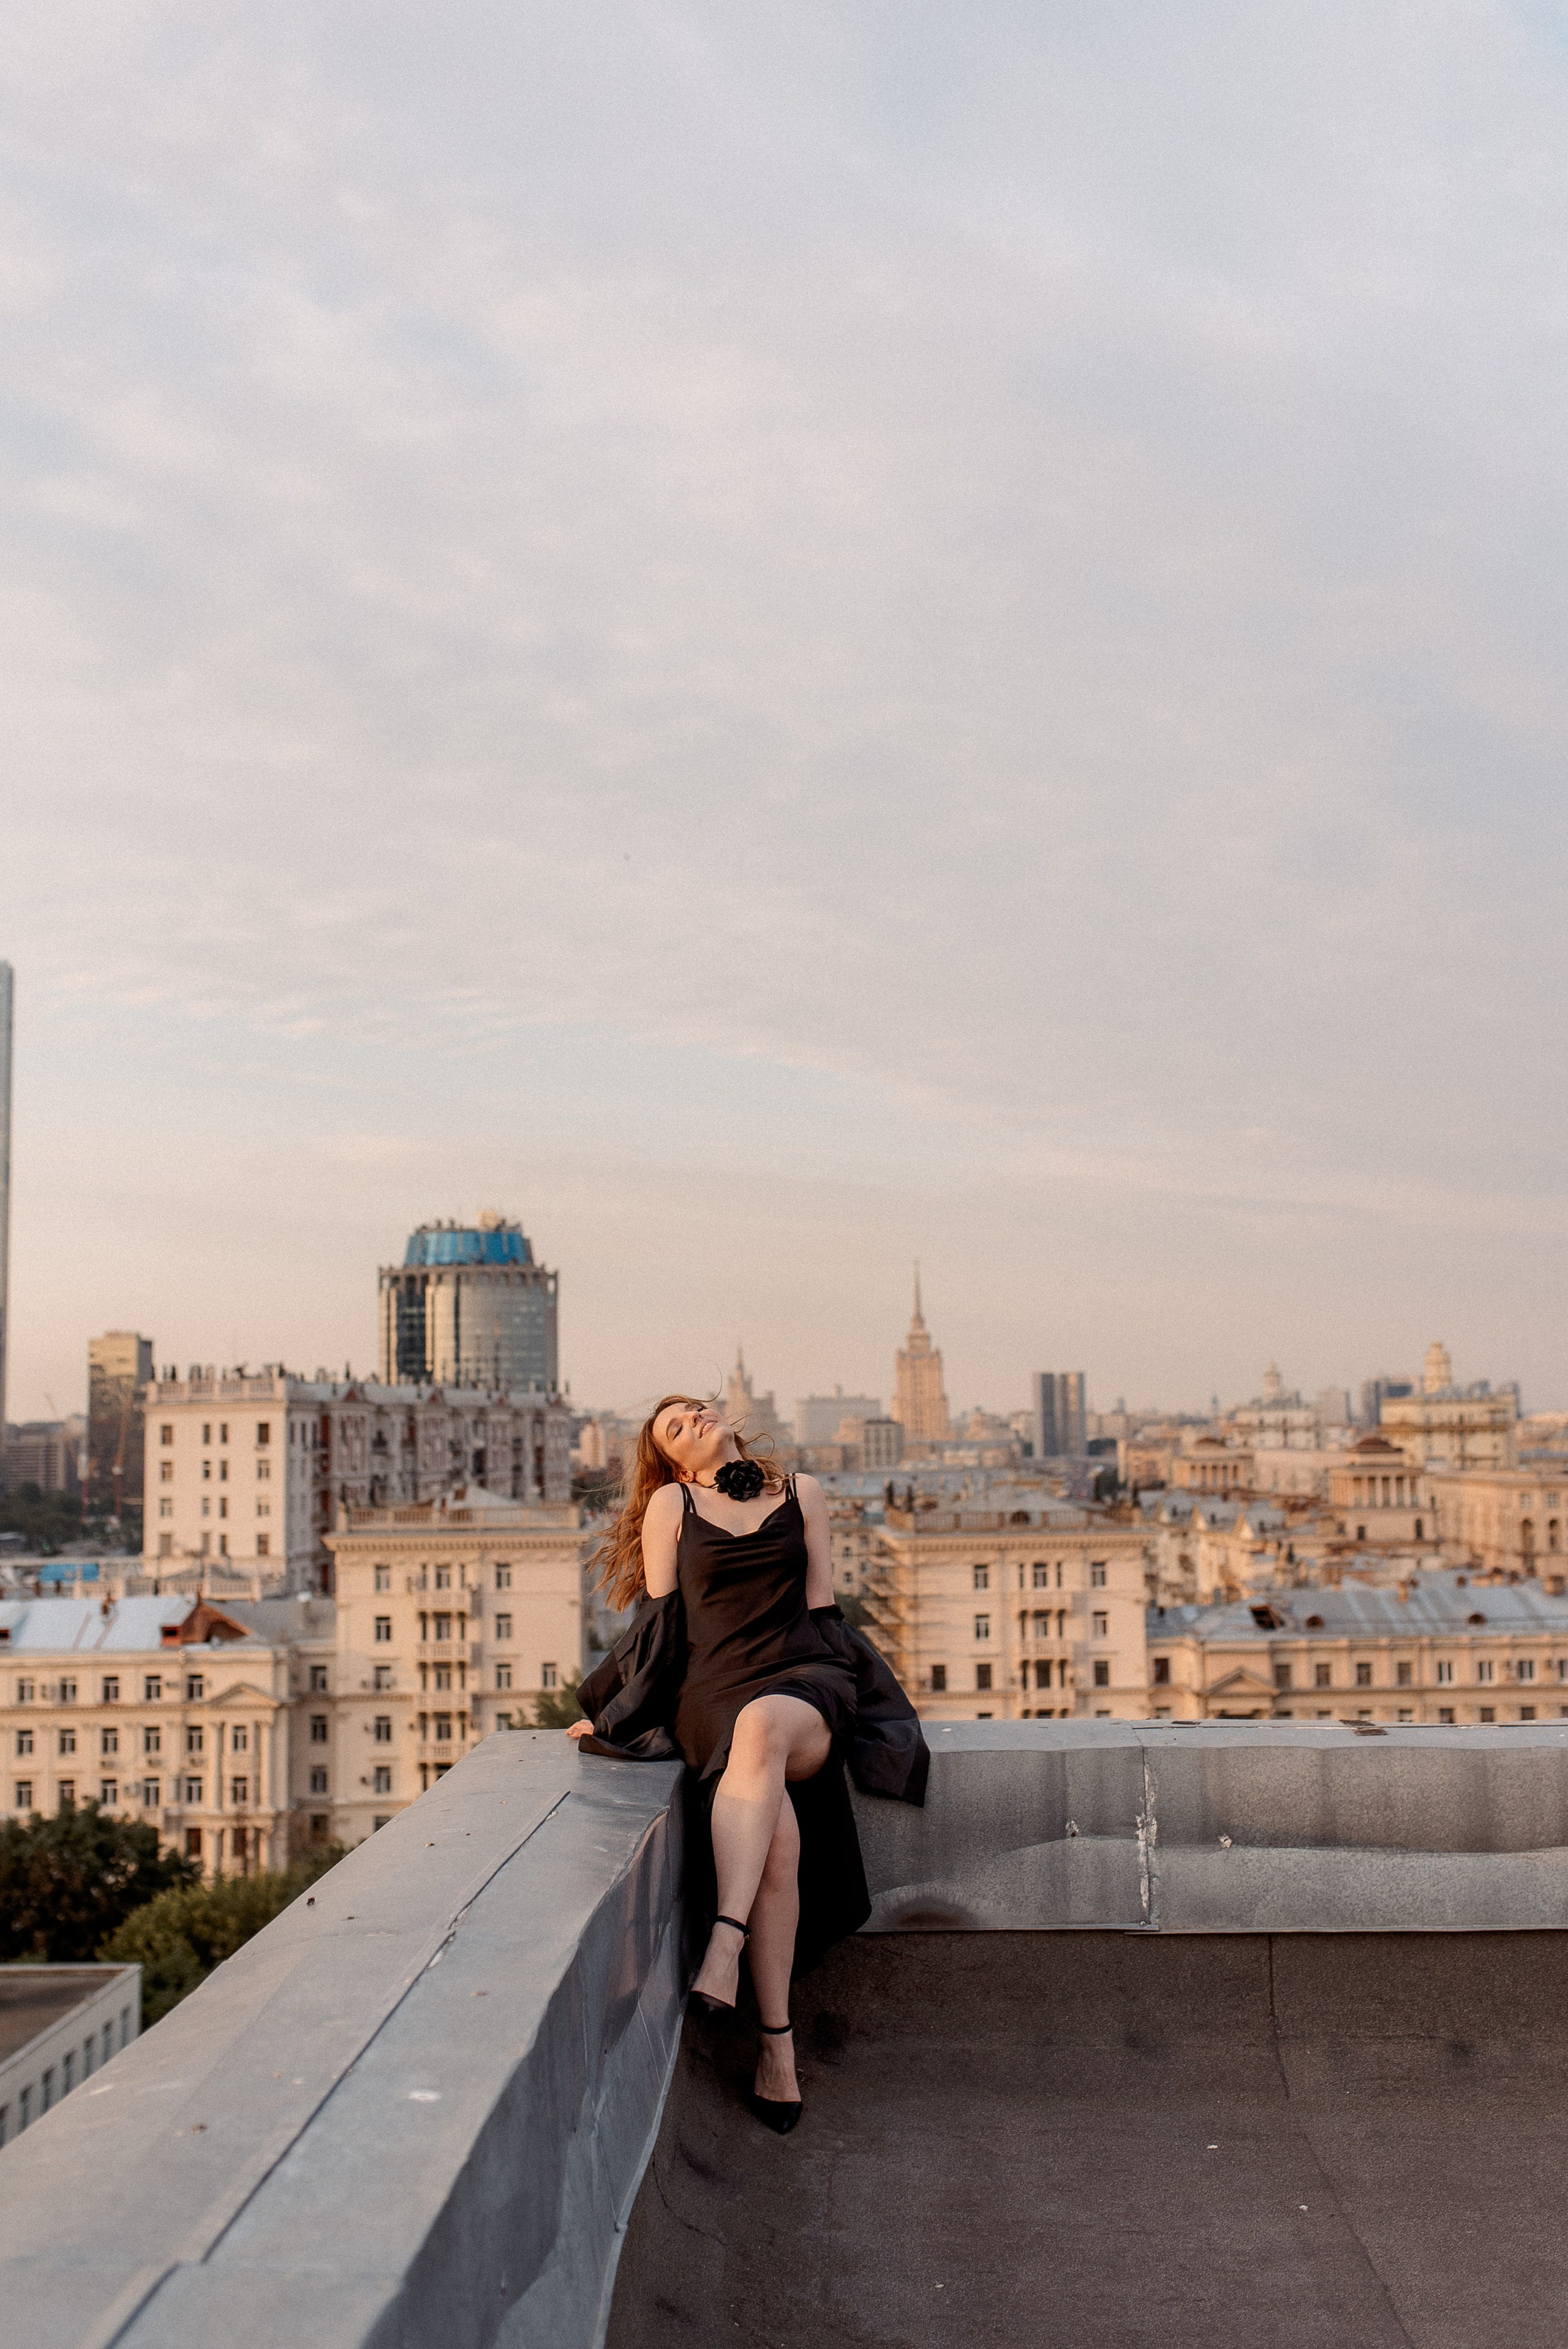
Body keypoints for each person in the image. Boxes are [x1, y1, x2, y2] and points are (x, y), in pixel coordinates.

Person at [571, 1394, 928, 2134]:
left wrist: (871, 1696)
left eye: (697, 1407)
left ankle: (723, 1940)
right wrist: (613, 1711)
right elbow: (661, 1626)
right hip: (711, 1692)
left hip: (803, 1685)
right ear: (672, 1460)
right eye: (676, 1425)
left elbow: (824, 1605)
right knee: (780, 1845)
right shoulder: (672, 1505)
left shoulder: (804, 1492)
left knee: (764, 1724)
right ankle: (776, 2047)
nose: (694, 1417)